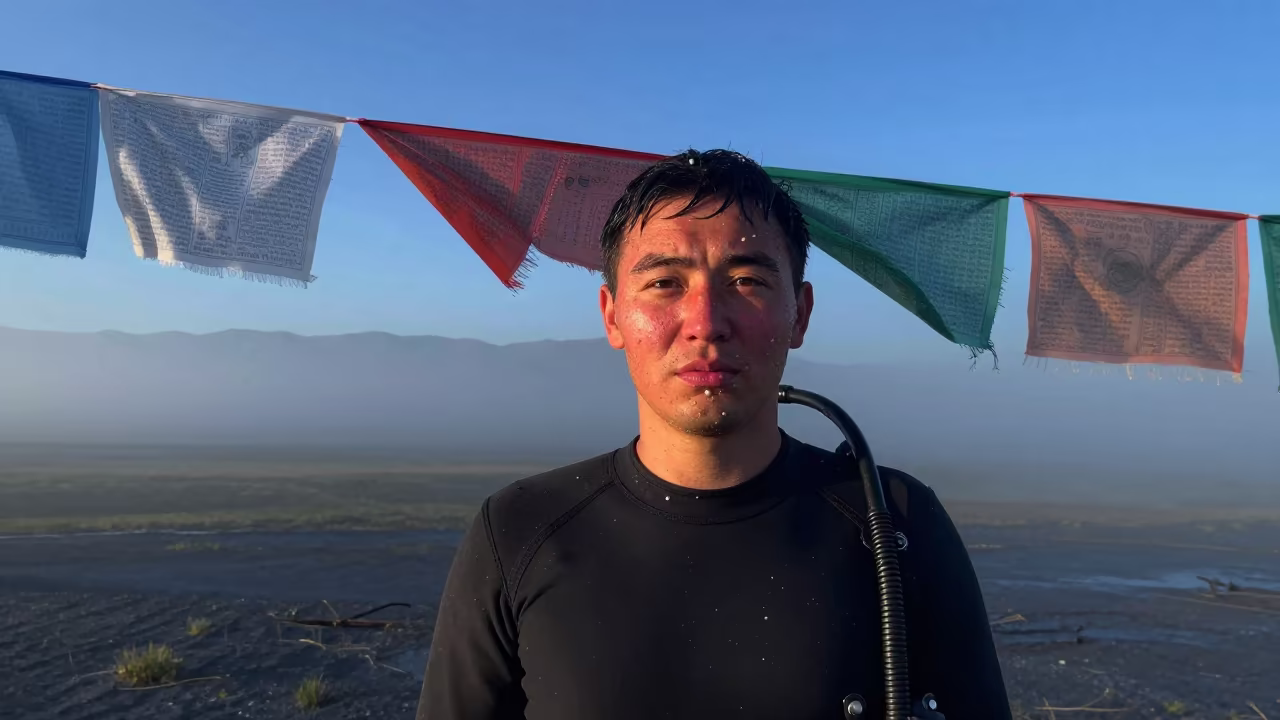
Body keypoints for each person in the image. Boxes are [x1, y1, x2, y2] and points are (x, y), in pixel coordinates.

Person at [416, 149, 1011, 720]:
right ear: (612, 314)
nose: (705, 323)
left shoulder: (897, 521)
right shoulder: (518, 530)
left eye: (747, 280)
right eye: (664, 283)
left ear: (799, 314)